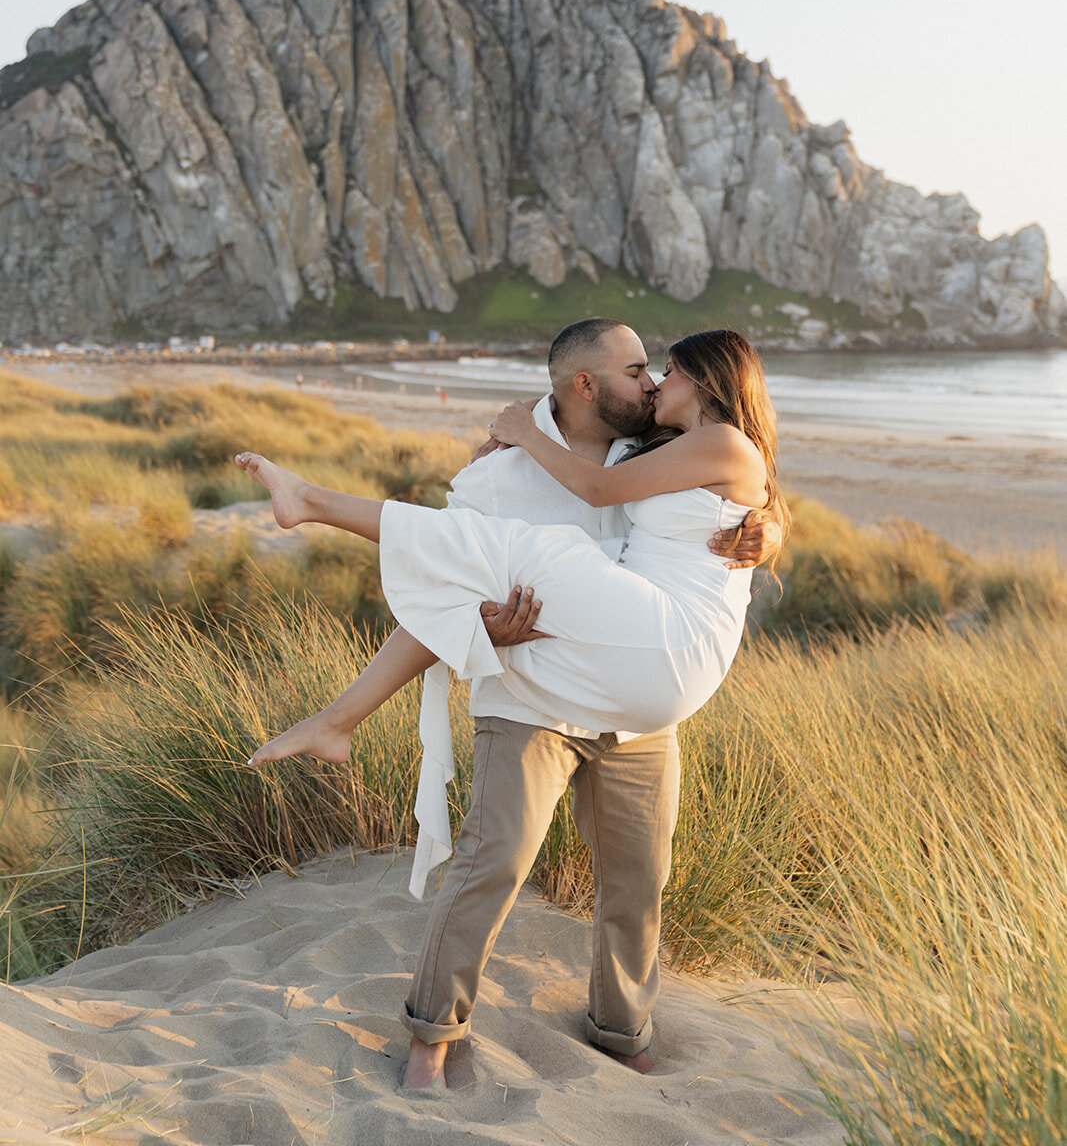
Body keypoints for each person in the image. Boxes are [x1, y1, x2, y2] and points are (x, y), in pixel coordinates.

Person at [237, 323, 785, 1087]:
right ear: (584, 386)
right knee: (490, 863)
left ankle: (622, 1030)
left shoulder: (644, 452)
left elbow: (726, 499)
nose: (653, 384)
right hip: (533, 685)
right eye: (638, 371)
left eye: (660, 372)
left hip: (633, 699)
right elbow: (454, 577)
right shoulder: (494, 474)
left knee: (637, 881)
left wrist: (772, 525)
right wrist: (484, 625)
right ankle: (433, 1030)